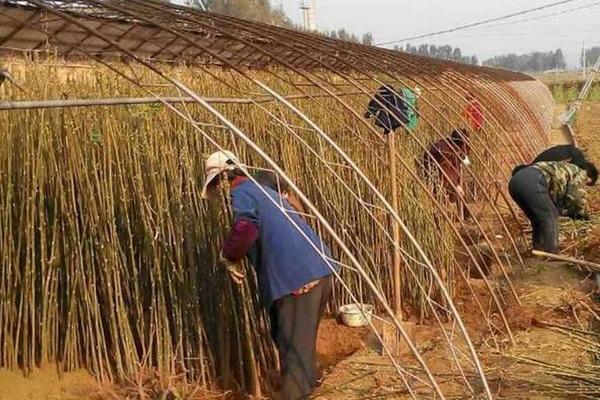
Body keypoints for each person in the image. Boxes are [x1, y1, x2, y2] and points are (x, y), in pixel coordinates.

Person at [201, 150, 335, 400]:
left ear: (224, 179)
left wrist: (230, 256)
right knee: (294, 344)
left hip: (297, 279)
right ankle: (308, 392)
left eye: (217, 184)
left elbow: (246, 226)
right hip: (320, 270)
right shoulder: (264, 190)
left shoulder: (241, 192)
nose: (218, 192)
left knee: (292, 352)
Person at [508, 160, 597, 254]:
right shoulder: (580, 172)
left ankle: (538, 250)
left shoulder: (563, 169)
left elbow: (558, 198)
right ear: (588, 174)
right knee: (550, 216)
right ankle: (552, 253)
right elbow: (576, 198)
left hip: (515, 183)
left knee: (538, 219)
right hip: (533, 181)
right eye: (586, 183)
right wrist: (584, 216)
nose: (584, 186)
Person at [422, 129, 471, 219]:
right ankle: (463, 216)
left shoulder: (453, 146)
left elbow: (464, 157)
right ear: (459, 143)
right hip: (435, 173)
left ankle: (465, 215)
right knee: (457, 192)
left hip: (444, 173)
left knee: (458, 191)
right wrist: (456, 185)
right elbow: (446, 171)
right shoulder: (445, 150)